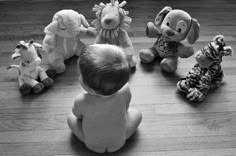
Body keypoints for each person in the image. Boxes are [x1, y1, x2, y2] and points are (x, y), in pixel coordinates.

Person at [67, 44, 142, 153]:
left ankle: (85, 139)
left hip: (91, 144)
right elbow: (126, 108)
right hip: (119, 141)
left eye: (80, 76)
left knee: (70, 118)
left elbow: (78, 116)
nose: (79, 77)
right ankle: (122, 135)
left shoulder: (81, 100)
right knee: (137, 114)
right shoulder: (125, 89)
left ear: (91, 90)